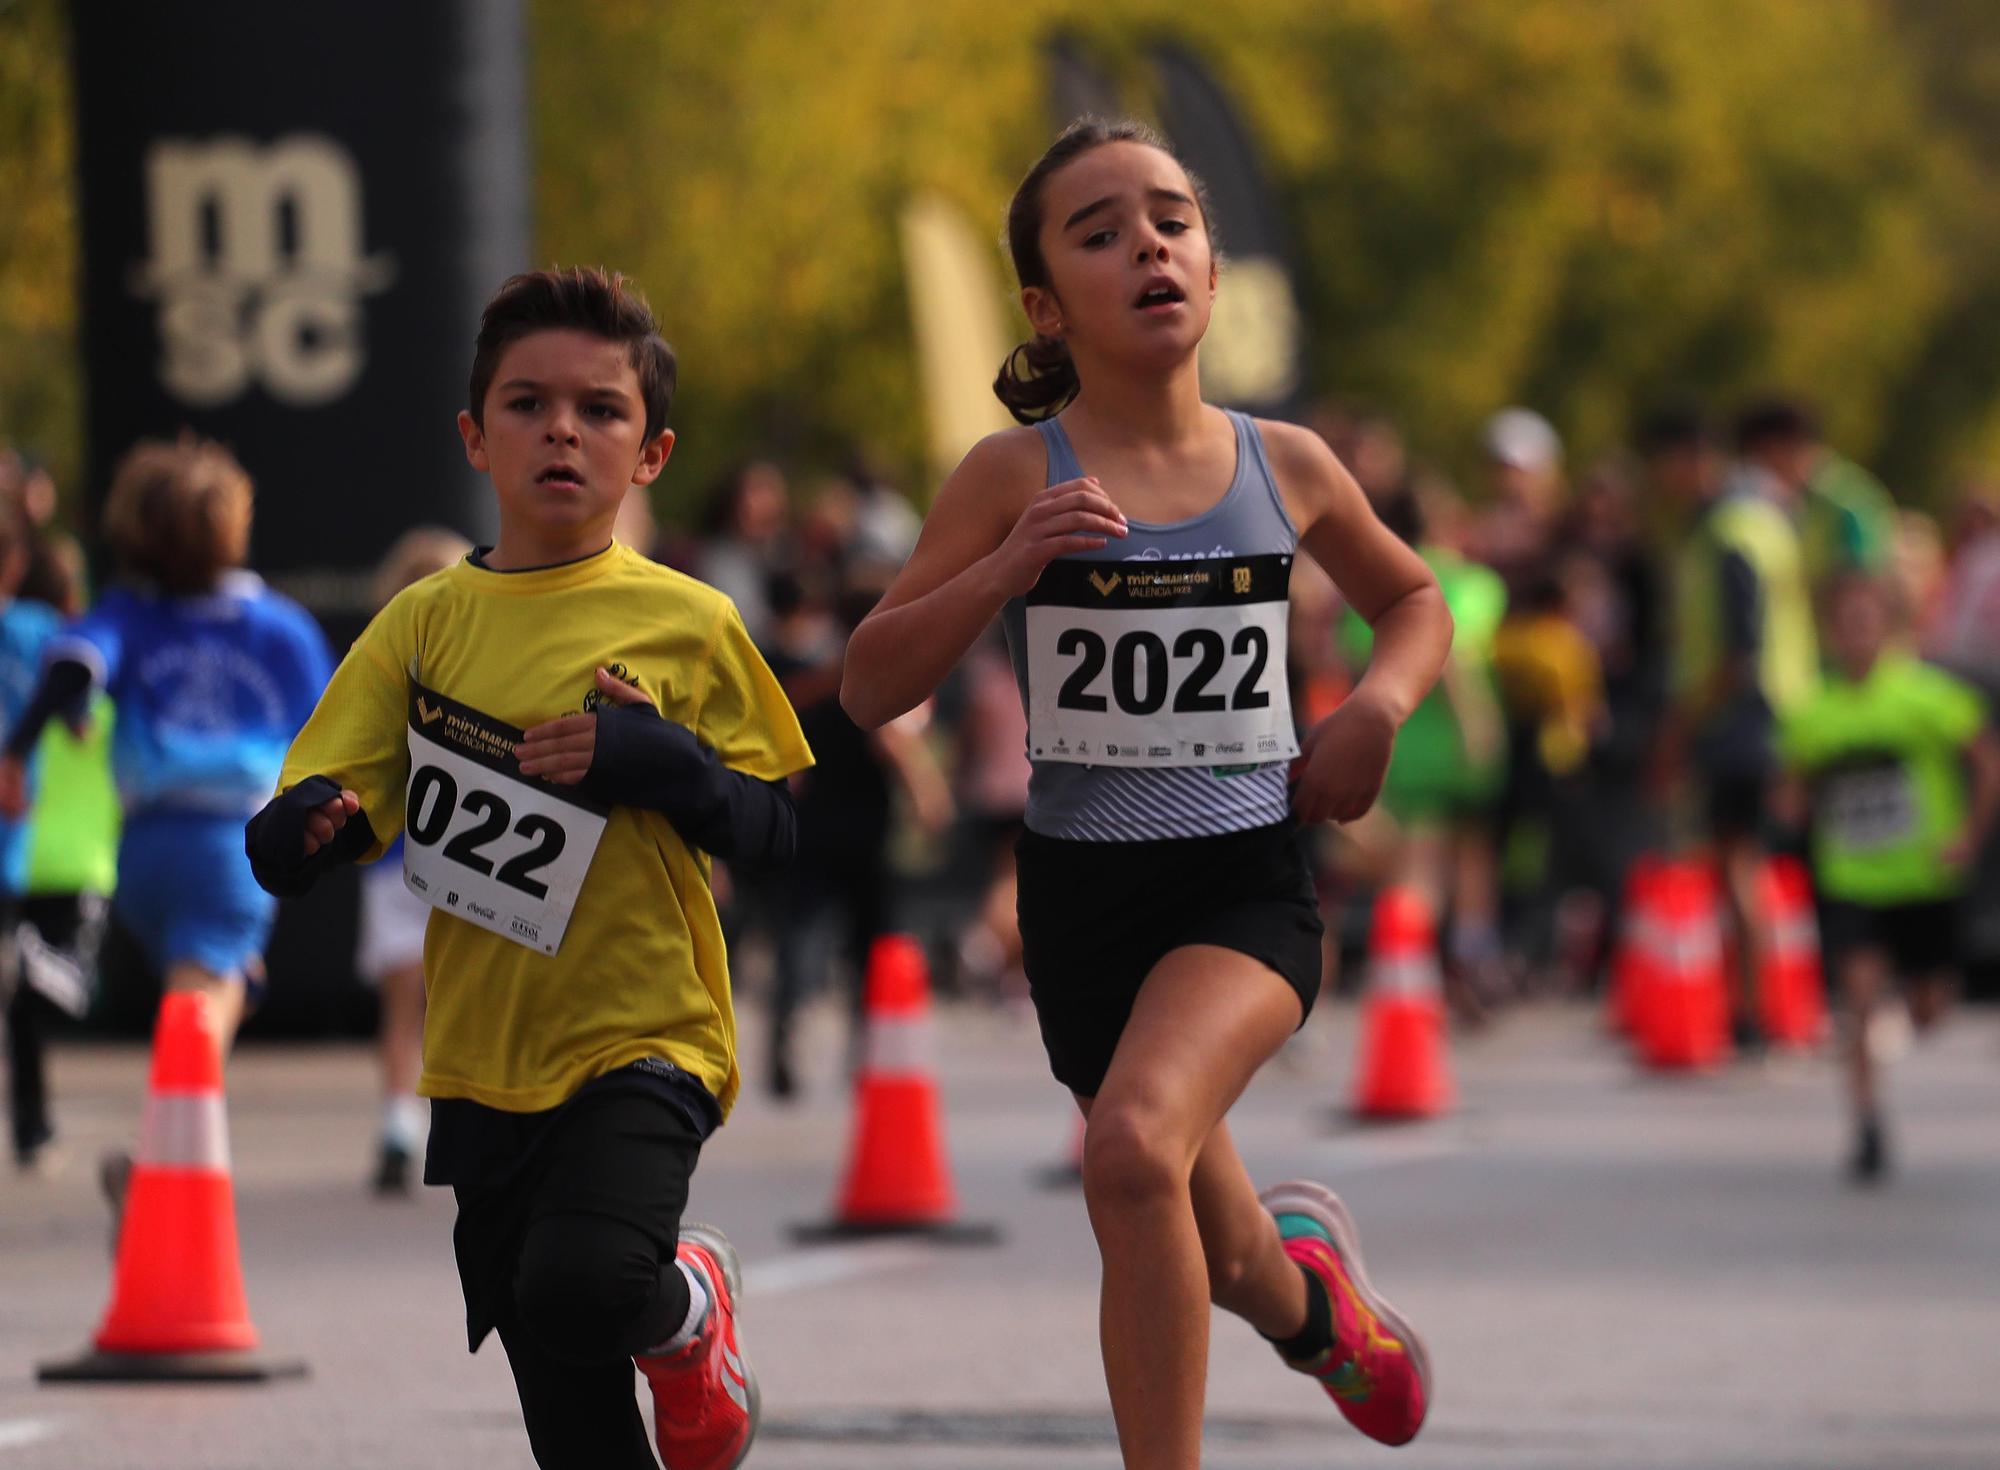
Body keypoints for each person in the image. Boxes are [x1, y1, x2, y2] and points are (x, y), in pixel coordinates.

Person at [841, 121, 1450, 1467]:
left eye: (1172, 219)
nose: (1149, 246)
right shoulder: (1013, 473)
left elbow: (1415, 597)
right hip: (1084, 907)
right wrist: (1002, 572)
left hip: (1243, 886)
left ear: (1215, 271)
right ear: (1047, 307)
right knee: (1212, 1238)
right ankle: (1318, 1311)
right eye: (1102, 231)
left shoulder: (1283, 462)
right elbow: (870, 682)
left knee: (1126, 1152)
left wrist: (1375, 709)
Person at [244, 267, 810, 1470]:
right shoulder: (421, 625)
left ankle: (688, 1308)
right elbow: (345, 804)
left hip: (644, 1036)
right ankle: (670, 1327)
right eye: (527, 403)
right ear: (474, 435)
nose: (562, 429)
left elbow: (777, 828)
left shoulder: (692, 623)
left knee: (588, 1283)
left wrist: (661, 764)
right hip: (483, 1065)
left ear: (649, 454)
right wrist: (298, 834)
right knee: (575, 1432)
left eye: (600, 411)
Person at [0, 436, 330, 1071]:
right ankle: (161, 1144)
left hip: (144, 851)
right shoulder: (278, 627)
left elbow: (73, 667)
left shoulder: (129, 614)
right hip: (234, 843)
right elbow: (340, 724)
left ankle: (237, 974)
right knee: (205, 994)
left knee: (209, 969)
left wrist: (16, 751)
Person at [1777, 572, 2000, 1182]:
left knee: (1930, 1009)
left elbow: (1987, 763)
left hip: (1923, 879)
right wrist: (1791, 810)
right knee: (1858, 1001)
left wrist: (1969, 839)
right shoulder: (1816, 712)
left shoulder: (1927, 697)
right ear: (1830, 633)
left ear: (1890, 627)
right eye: (1845, 623)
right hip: (1852, 879)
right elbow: (1793, 788)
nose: (1857, 634)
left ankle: (1911, 1003)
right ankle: (1868, 1124)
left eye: (1868, 621)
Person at [1647, 403, 1818, 1049]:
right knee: (1740, 862)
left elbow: (1735, 653)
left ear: (1693, 459)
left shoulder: (1727, 532)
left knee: (1735, 863)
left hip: (1741, 721)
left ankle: (1750, 1009)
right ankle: (1758, 1002)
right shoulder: (1754, 522)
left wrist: (1681, 728)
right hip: (1769, 715)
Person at [355, 526, 473, 1194]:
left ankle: (400, 1121)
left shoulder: (380, 669)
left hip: (395, 861)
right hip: (461, 859)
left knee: (403, 1003)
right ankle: (448, 1122)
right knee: (458, 1000)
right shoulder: (481, 674)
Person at [0, 502, 66, 1169]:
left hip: (13, 848)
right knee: (20, 993)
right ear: (15, 565)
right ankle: (32, 1128)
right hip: (14, 851)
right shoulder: (38, 630)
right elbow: (79, 711)